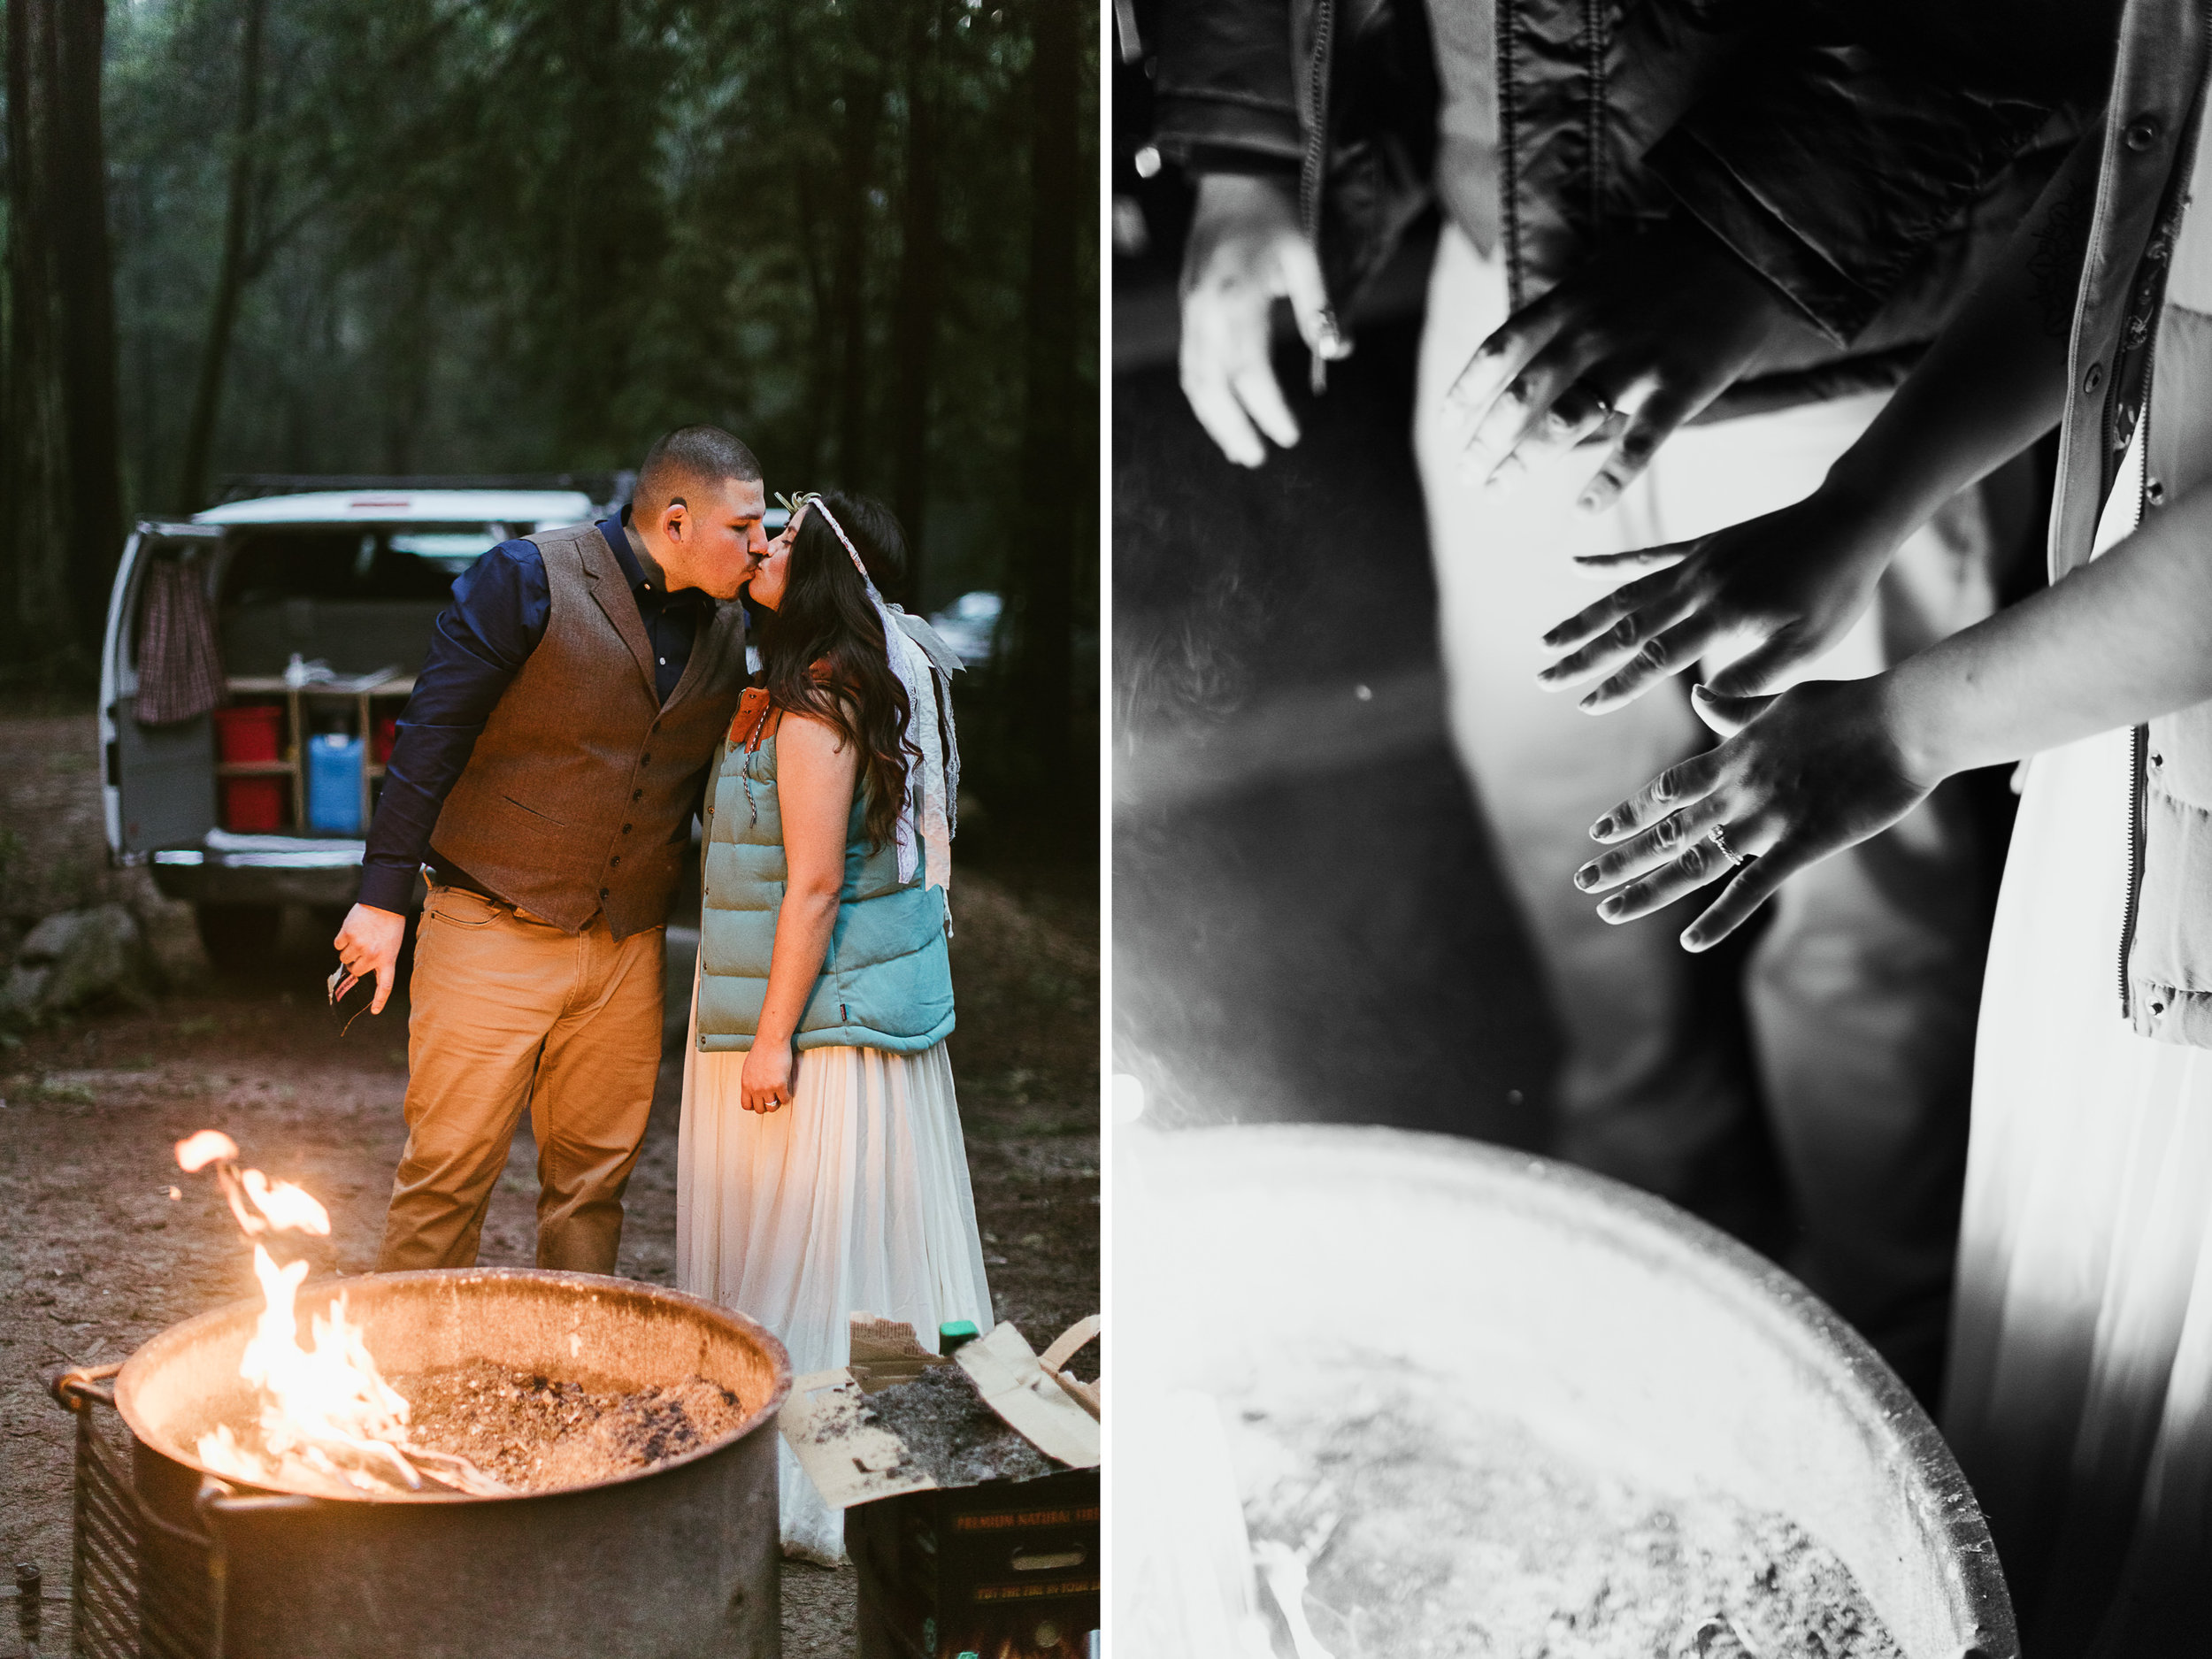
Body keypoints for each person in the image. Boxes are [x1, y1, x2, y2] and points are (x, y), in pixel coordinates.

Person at [1153, 0, 2093, 1399]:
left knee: (1869, 931)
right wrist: (1243, 153)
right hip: (1509, 300)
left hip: (1859, 321)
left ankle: (1885, 1380)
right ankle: (1649, 1319)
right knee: (1577, 865)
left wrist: (1742, 254)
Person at [1555, 9, 2212, 1641]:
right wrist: (1851, 515)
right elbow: (2151, 174)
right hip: (2134, 702)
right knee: (2071, 1366)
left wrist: (1911, 723)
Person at [332, 426, 769, 1274]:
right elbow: (430, 737)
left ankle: (568, 1378)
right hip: (490, 924)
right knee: (447, 1175)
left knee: (593, 1184)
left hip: (626, 946)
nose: (760, 544)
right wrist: (382, 900)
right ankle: (402, 1388)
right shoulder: (525, 577)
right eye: (743, 526)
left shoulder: (730, 621)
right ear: (676, 521)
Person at [677, 488, 989, 1564]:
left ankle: (823, 1480)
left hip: (816, 1020)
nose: (756, 546)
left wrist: (768, 1042)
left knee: (819, 1253)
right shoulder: (792, 682)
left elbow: (814, 887)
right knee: (822, 1253)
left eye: (777, 540)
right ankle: (863, 1450)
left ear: (815, 573)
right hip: (811, 1001)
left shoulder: (820, 700)